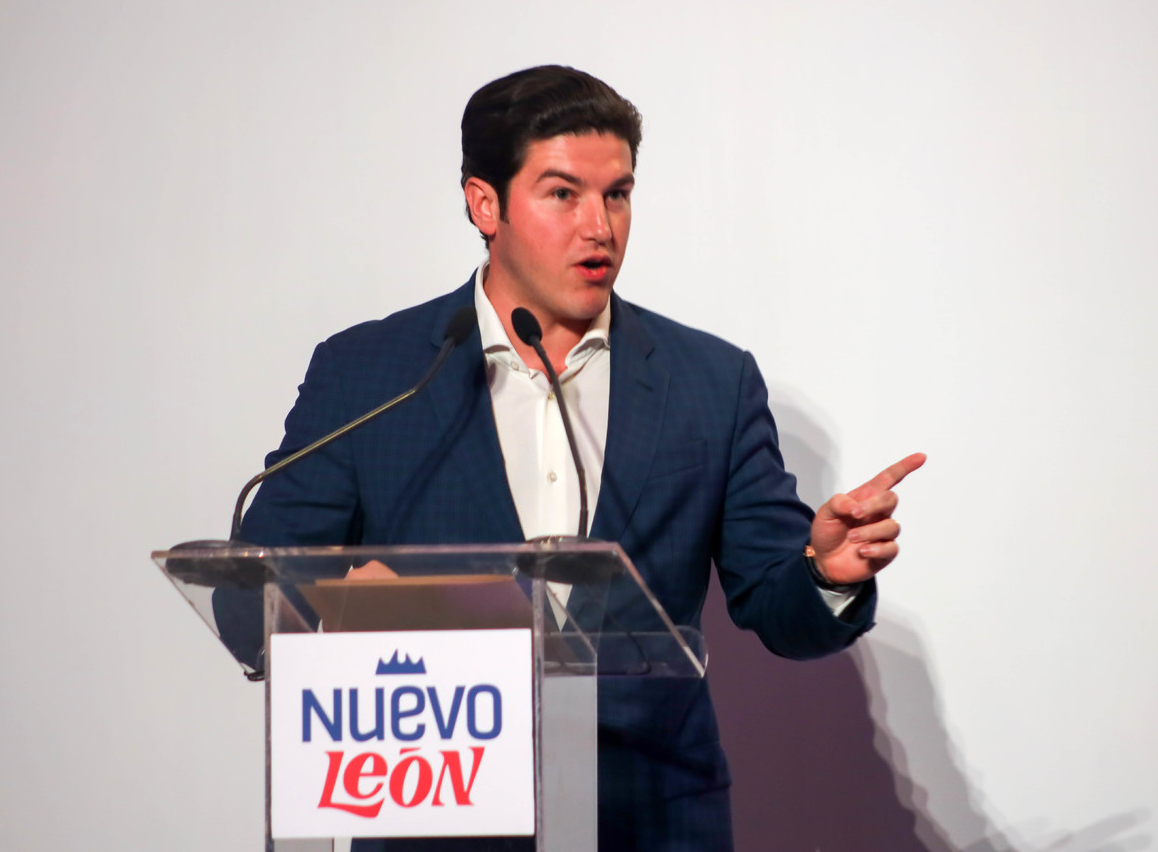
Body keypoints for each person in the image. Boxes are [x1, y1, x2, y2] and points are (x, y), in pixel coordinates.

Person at [228, 65, 925, 850]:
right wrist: (345, 607)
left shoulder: (710, 382)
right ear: (484, 204)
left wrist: (826, 573)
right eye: (563, 194)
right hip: (438, 820)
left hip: (652, 818)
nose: (600, 226)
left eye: (617, 195)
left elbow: (778, 608)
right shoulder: (370, 376)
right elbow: (248, 603)